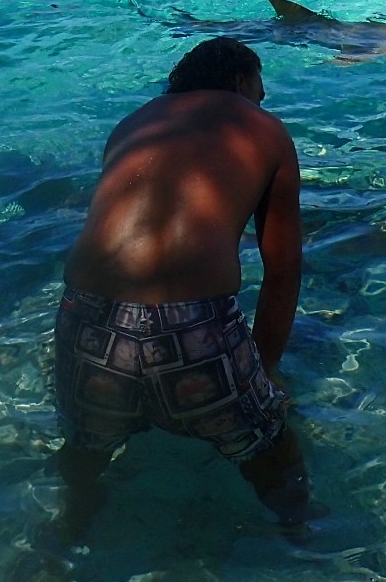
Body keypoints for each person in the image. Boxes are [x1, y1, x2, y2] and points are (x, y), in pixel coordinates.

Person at [53, 36, 308, 532]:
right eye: (260, 87)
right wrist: (266, 371)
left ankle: (64, 536)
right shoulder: (264, 129)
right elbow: (283, 270)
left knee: (88, 446)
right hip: (193, 324)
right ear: (239, 81)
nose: (264, 100)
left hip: (87, 315)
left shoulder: (134, 123)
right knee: (268, 442)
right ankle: (306, 542)